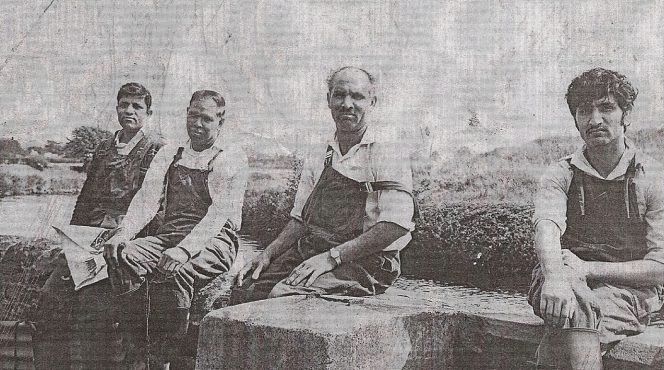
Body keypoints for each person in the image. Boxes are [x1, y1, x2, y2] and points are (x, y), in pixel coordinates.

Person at [40, 90, 248, 369]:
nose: (197, 123)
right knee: (118, 257)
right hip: (169, 235)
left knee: (175, 272)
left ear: (221, 123)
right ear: (186, 113)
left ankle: (163, 358)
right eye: (193, 115)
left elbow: (217, 215)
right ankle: (135, 346)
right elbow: (146, 201)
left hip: (216, 240)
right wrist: (123, 235)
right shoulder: (171, 153)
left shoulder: (230, 157)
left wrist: (184, 251)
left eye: (206, 119)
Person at [528, 68, 664, 369]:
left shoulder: (655, 178)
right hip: (560, 278)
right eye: (584, 110)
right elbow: (546, 227)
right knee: (574, 307)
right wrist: (557, 278)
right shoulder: (562, 173)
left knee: (577, 315)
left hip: (628, 289)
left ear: (626, 114)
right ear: (575, 118)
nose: (595, 120)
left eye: (607, 107)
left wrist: (587, 270)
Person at [231, 66, 417, 304]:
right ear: (328, 99)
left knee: (284, 296)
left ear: (373, 101)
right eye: (339, 95)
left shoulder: (387, 150)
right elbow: (300, 220)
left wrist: (332, 258)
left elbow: (395, 226)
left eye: (357, 96)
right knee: (245, 286)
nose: (347, 104)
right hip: (316, 249)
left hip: (368, 261)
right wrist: (267, 253)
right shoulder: (322, 151)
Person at [71, 82, 164, 228]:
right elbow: (86, 197)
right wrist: (75, 231)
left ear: (149, 113)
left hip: (134, 231)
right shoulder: (104, 147)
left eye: (137, 106)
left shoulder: (158, 148)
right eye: (124, 105)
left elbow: (161, 204)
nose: (129, 111)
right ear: (117, 109)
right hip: (95, 227)